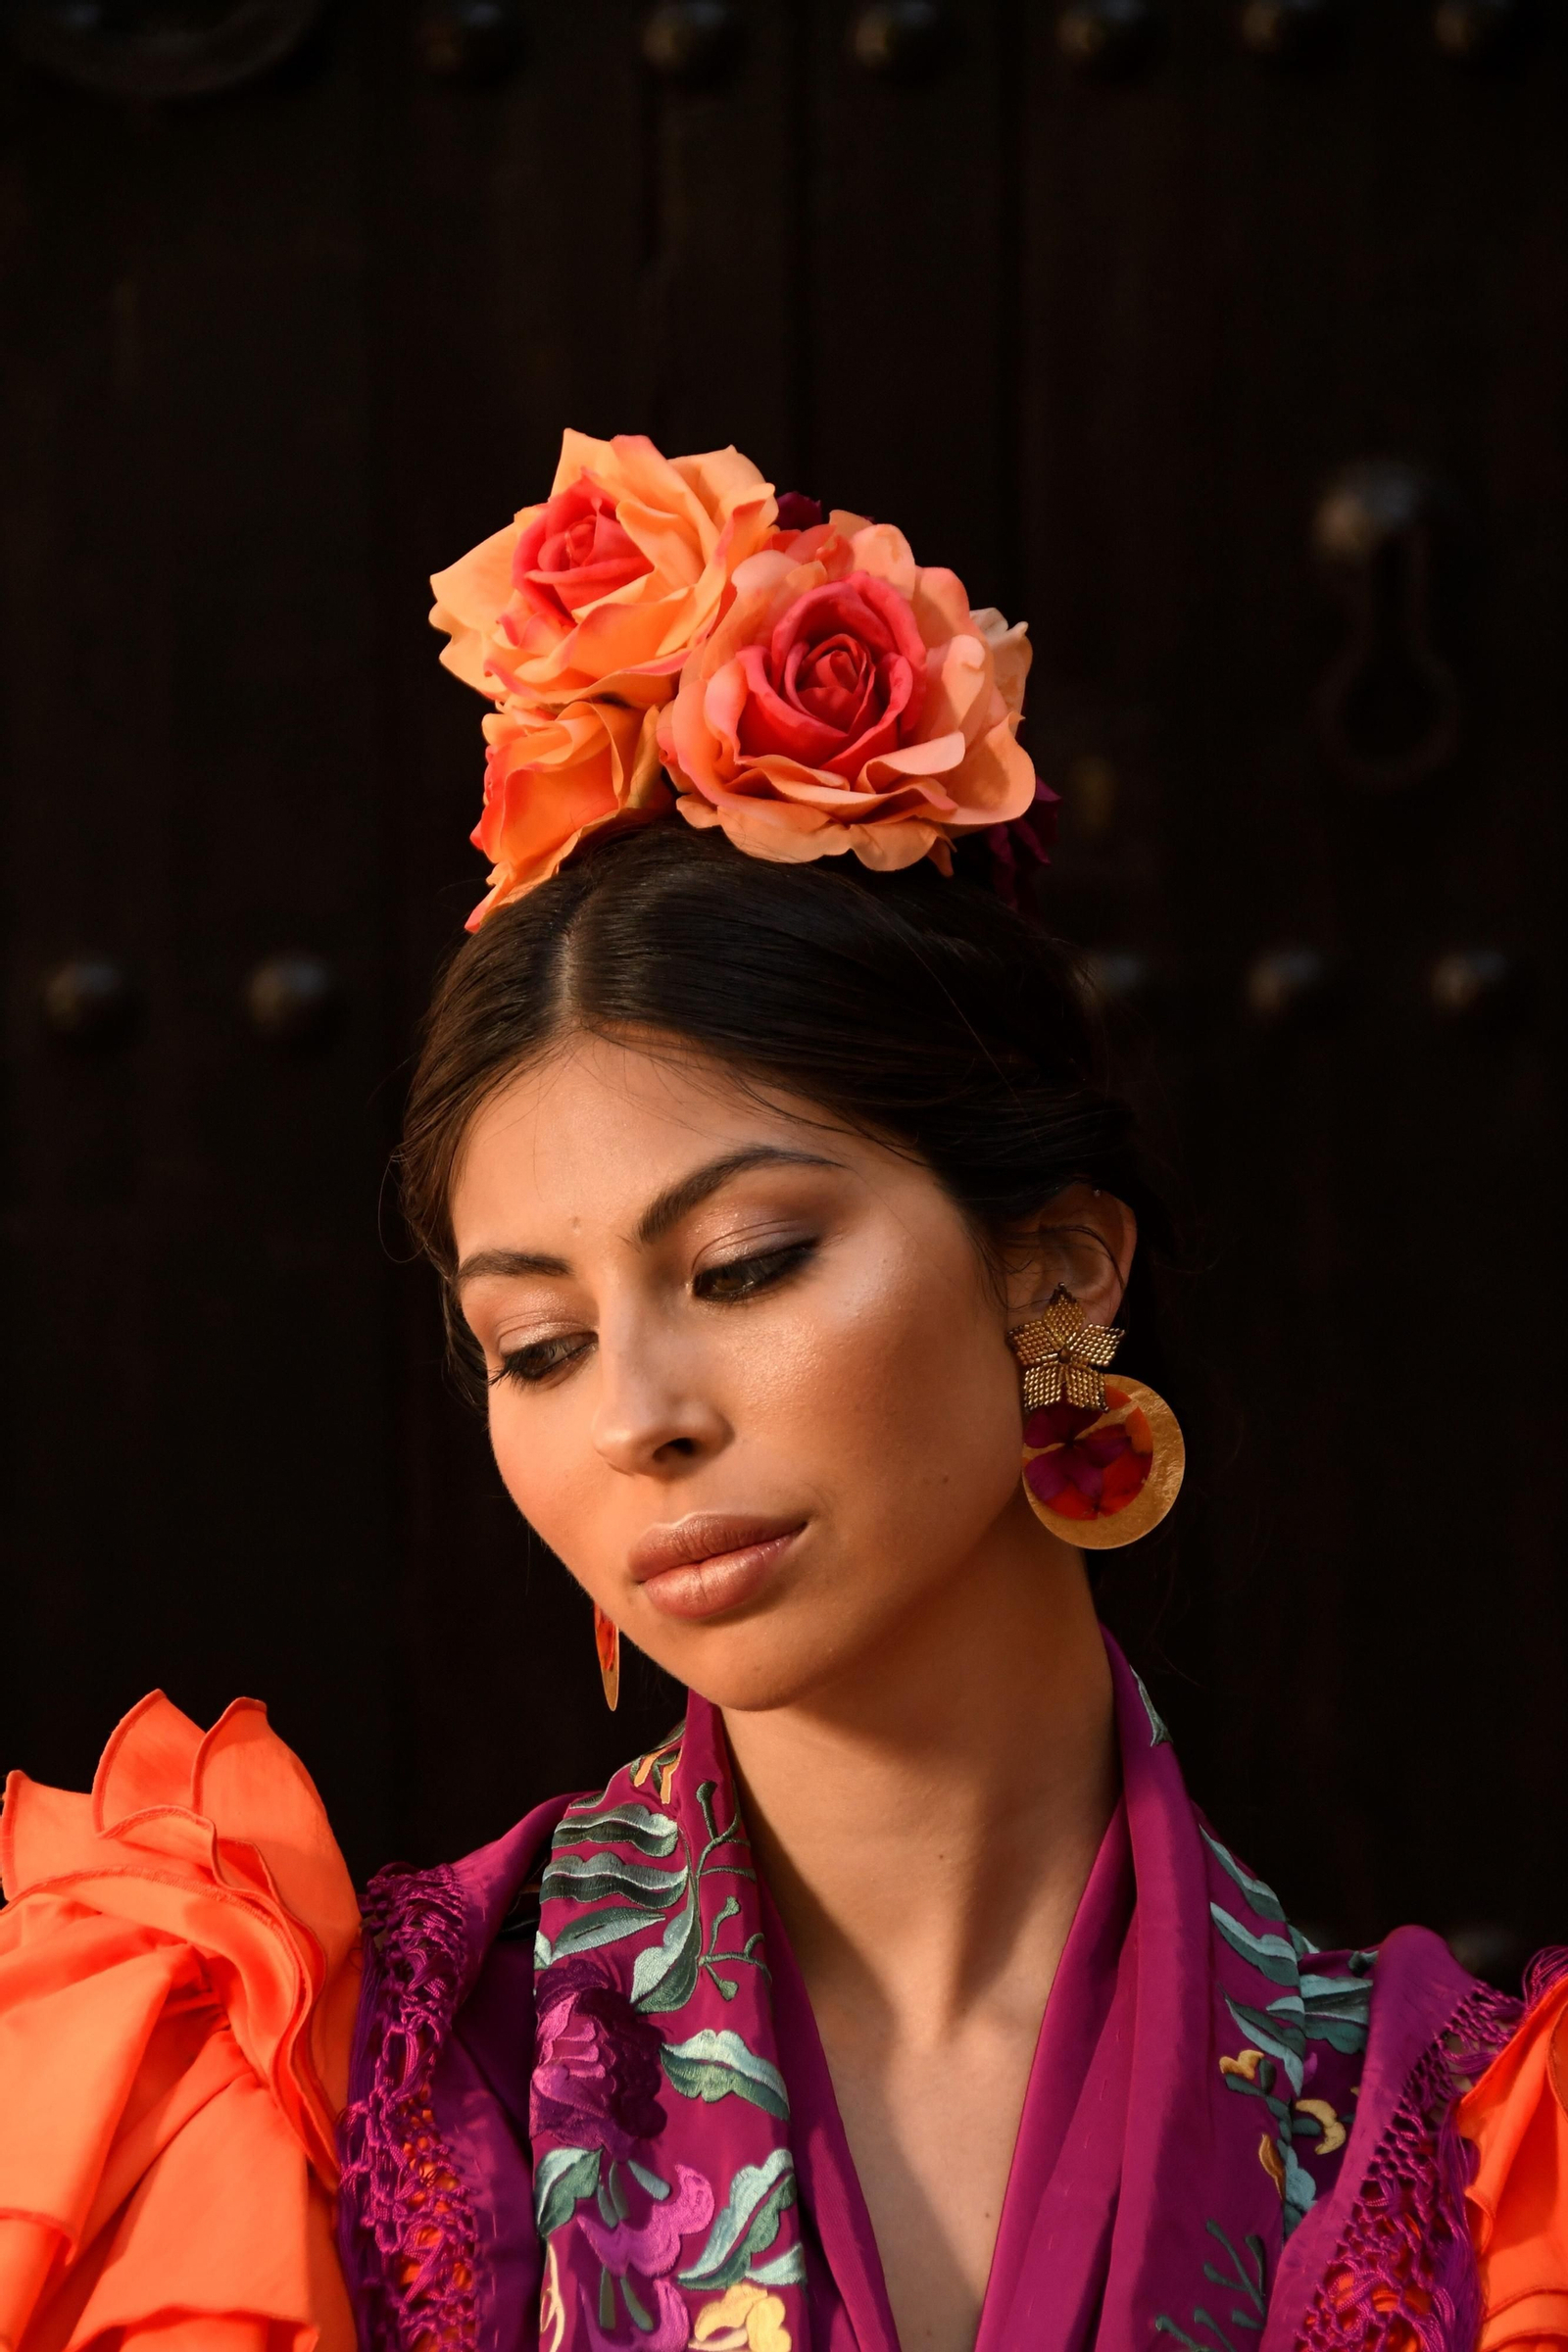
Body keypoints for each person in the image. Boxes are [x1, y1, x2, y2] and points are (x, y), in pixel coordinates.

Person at [2, 432, 1563, 2352]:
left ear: (1057, 1266)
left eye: (740, 1267)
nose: (635, 1415)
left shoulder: (1472, 2162)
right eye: (537, 1344)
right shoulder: (308, 2087)